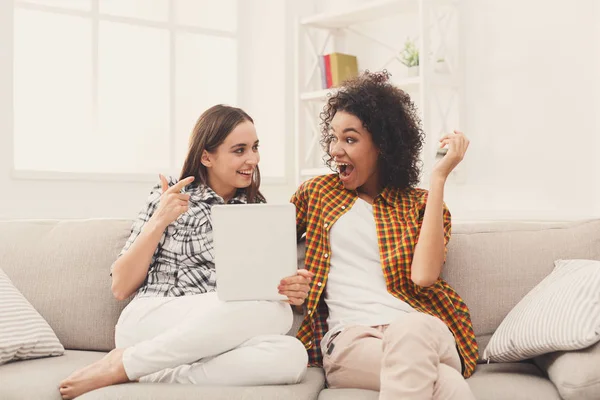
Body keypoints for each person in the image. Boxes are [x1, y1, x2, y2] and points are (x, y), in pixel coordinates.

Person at [59, 105, 313, 400]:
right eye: (239, 150)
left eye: (255, 148)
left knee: (292, 356)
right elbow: (121, 286)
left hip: (212, 335)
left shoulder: (257, 212)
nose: (252, 159)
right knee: (274, 312)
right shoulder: (168, 197)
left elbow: (261, 290)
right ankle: (127, 363)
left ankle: (153, 373)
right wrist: (158, 222)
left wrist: (291, 289)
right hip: (151, 319)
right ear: (206, 156)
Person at [291, 71, 478, 399]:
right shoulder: (317, 193)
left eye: (350, 139)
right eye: (333, 138)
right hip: (352, 340)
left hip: (423, 331)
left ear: (383, 145)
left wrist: (438, 178)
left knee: (415, 328)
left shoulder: (419, 204)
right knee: (448, 385)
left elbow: (423, 276)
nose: (336, 150)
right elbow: (264, 242)